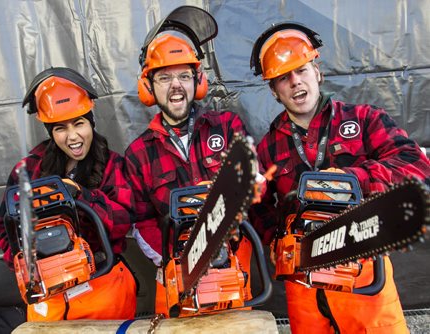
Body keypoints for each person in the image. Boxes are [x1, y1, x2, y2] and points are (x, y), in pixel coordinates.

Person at [249, 22, 430, 333]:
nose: (295, 82)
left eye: (301, 70)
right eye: (283, 78)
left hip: (362, 267)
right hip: (302, 278)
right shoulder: (268, 147)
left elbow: (415, 165)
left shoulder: (363, 119)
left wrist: (352, 179)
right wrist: (276, 239)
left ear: (317, 72)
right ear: (274, 90)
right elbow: (257, 205)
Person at [124, 21, 253, 314]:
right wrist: (172, 259)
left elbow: (251, 186)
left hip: (230, 265)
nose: (176, 85)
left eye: (184, 75)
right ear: (148, 87)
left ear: (198, 80)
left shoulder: (228, 127)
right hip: (175, 274)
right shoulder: (138, 154)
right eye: (164, 77)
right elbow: (142, 221)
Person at [0, 67, 136, 321]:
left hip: (104, 285)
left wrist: (80, 195)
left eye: (79, 124)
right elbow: (5, 229)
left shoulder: (113, 165)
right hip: (49, 290)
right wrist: (26, 267)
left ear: (90, 121)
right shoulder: (27, 171)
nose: (73, 136)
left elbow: (123, 222)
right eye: (60, 128)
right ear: (50, 132)